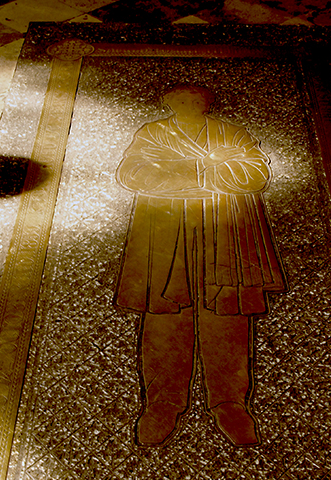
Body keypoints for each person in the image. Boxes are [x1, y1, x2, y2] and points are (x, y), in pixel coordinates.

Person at [115, 85, 285, 446]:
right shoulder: (154, 133)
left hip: (225, 233)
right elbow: (131, 173)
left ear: (207, 104)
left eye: (196, 100)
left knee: (227, 317)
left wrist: (191, 175)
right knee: (164, 317)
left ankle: (231, 406)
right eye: (180, 100)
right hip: (164, 233)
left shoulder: (230, 133)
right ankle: (161, 405)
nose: (189, 105)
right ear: (168, 103)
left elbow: (256, 173)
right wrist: (202, 173)